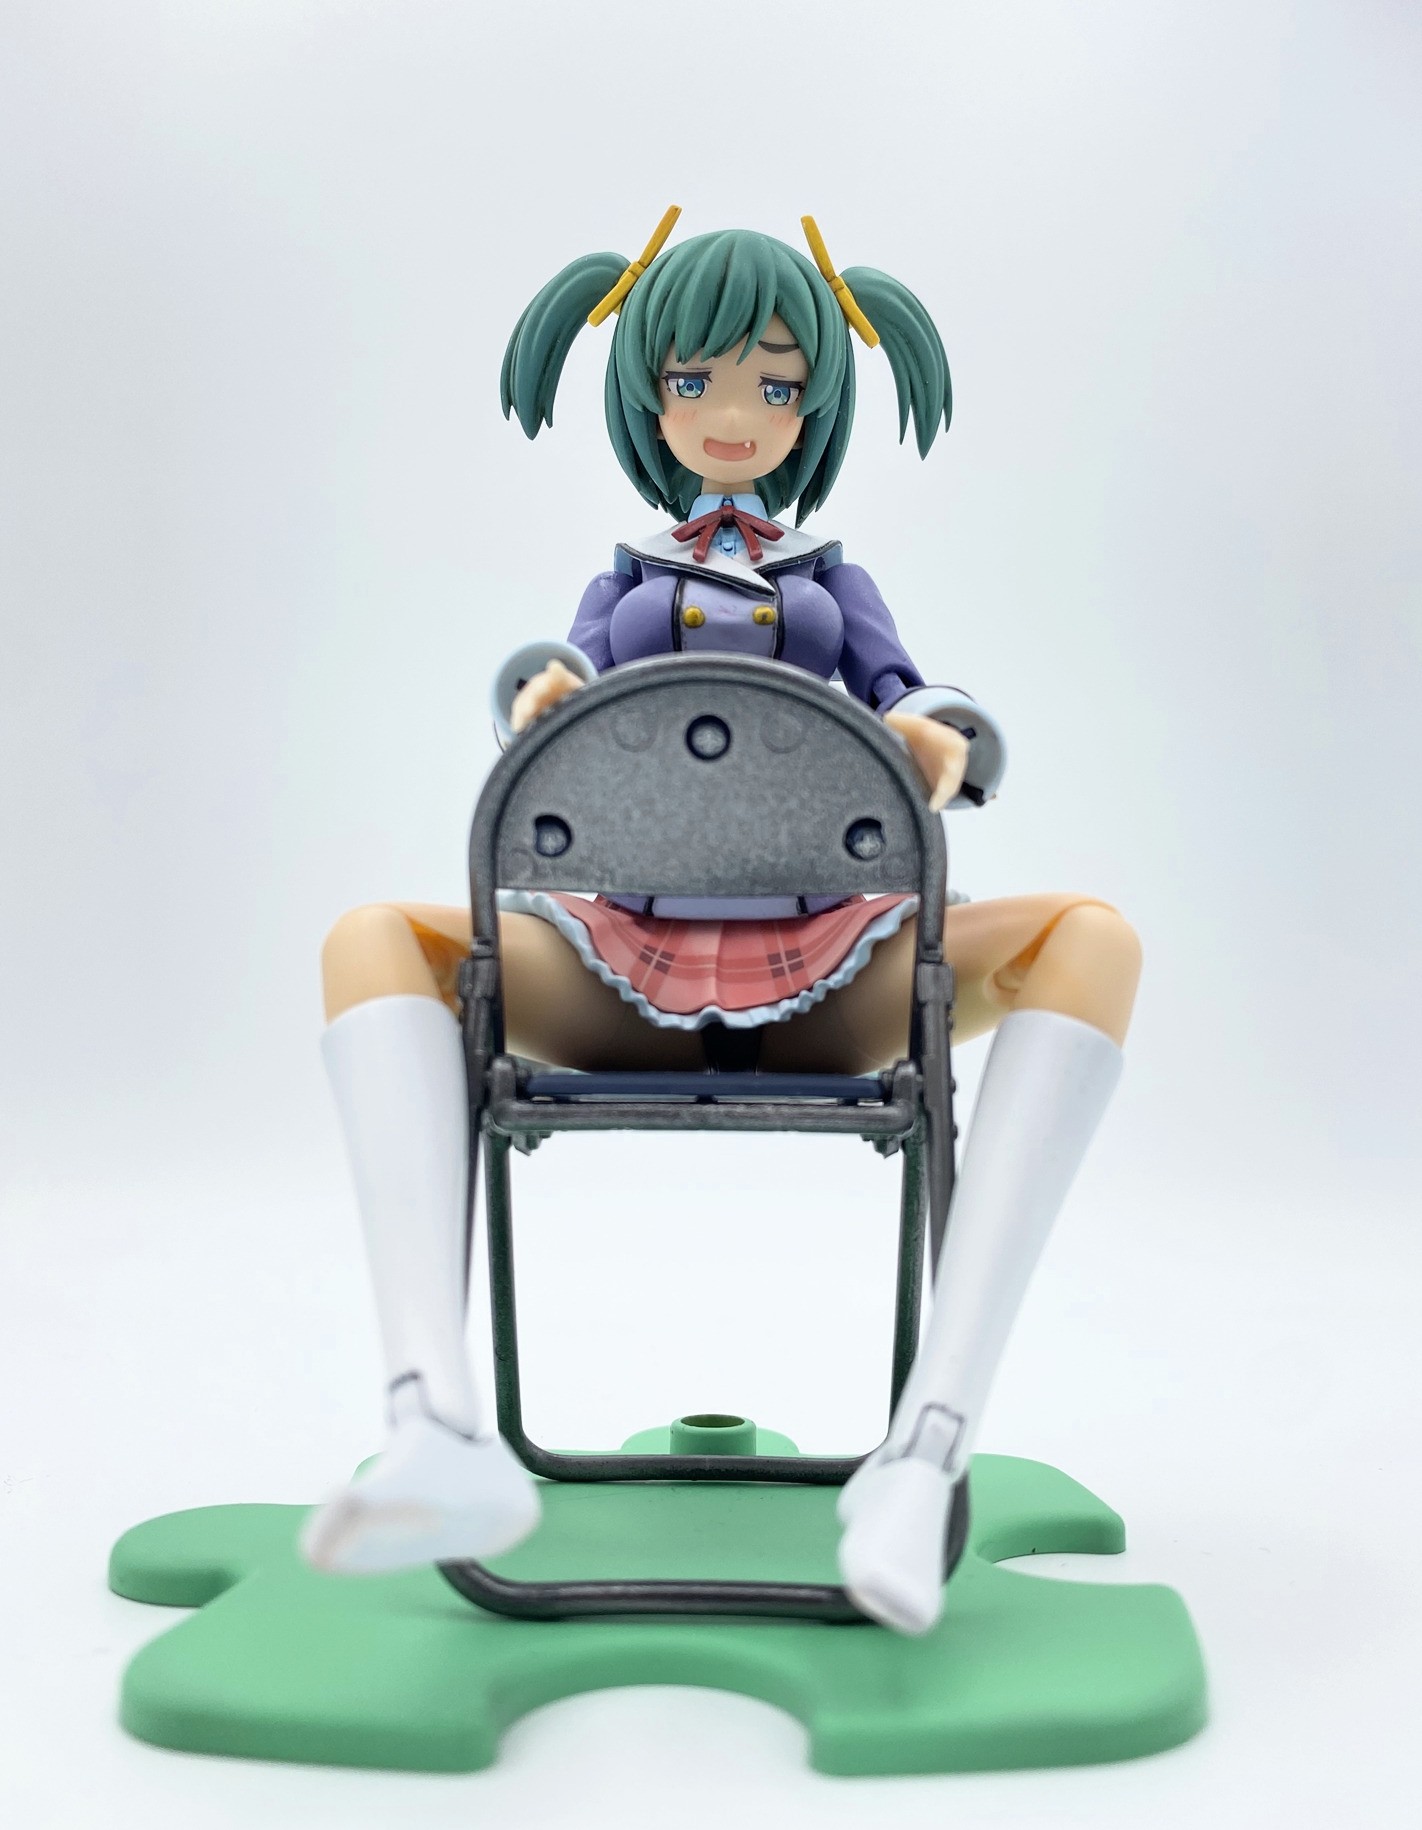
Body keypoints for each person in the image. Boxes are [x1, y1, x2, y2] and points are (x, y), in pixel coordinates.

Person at [302, 212, 1142, 1636]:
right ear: (648, 399)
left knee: (1093, 936)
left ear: (817, 404)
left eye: (775, 382)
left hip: (834, 978)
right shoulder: (624, 581)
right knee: (368, 936)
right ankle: (433, 1422)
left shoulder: (834, 584)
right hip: (610, 976)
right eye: (693, 381)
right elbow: (552, 676)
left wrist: (934, 740)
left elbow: (919, 694)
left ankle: (927, 1447)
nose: (734, 413)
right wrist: (543, 700)